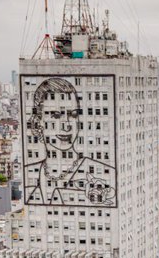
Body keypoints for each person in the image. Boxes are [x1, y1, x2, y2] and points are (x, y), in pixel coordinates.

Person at [22, 77, 116, 206]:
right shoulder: (29, 174)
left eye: (73, 115)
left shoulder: (102, 171)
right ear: (38, 122)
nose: (67, 125)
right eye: (56, 115)